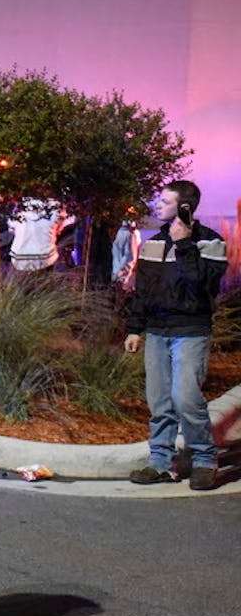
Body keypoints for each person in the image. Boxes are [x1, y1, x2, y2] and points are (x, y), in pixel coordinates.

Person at [125, 180, 229, 491]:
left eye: (164, 201)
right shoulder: (152, 243)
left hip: (191, 331)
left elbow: (203, 287)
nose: (157, 205)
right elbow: (143, 291)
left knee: (185, 399)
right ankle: (161, 463)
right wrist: (134, 328)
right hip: (157, 330)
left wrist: (184, 244)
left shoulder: (210, 242)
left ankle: (204, 461)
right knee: (159, 402)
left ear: (184, 207)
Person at [9, 200, 62, 271]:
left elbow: (11, 229)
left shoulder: (19, 206)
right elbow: (60, 228)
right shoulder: (55, 206)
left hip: (19, 258)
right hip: (45, 258)